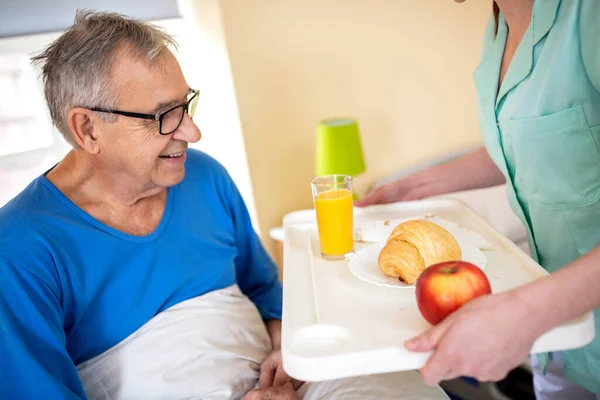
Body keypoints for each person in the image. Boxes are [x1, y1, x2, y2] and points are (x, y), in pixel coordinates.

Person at [0, 10, 450, 400]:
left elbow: (262, 287)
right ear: (88, 130)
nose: (191, 133)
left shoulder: (204, 176)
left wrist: (284, 346)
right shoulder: (20, 248)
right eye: (163, 116)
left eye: (186, 105)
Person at [357, 0, 600, 398]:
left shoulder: (587, 16)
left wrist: (525, 312)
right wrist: (412, 187)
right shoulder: (498, 31)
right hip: (557, 344)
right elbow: (518, 144)